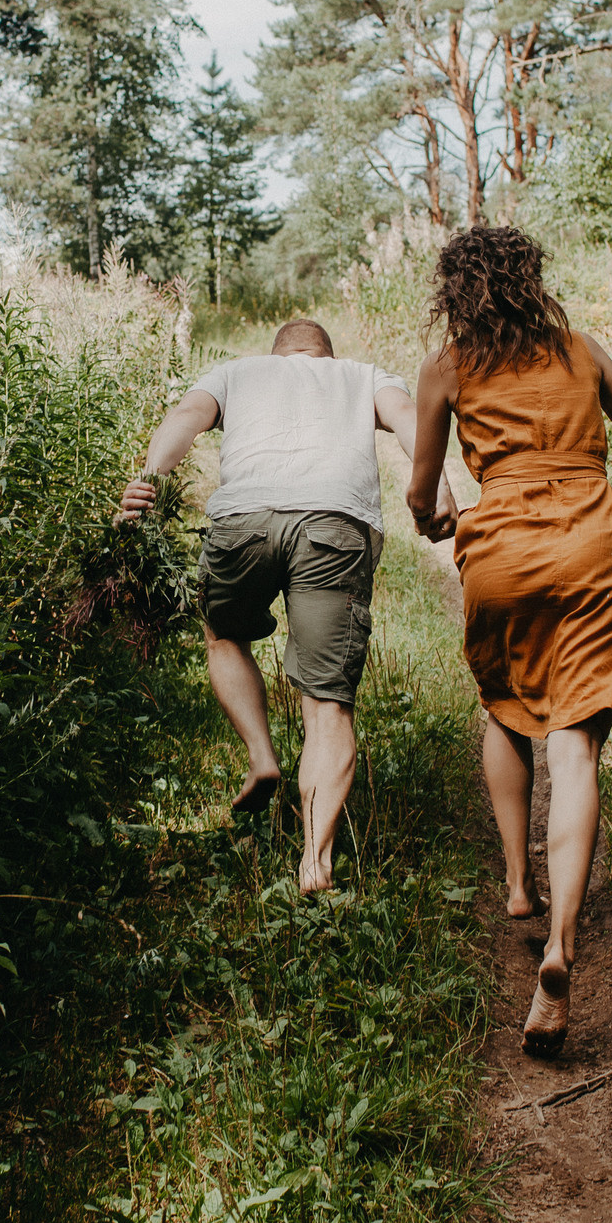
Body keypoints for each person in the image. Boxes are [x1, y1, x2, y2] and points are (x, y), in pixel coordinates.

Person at [405, 228, 612, 1055]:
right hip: (593, 543)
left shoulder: (449, 367)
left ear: (456, 290)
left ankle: (519, 882)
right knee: (577, 746)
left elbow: (421, 497)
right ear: (532, 280)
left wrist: (440, 516)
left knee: (506, 708)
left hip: (504, 557)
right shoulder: (583, 350)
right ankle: (560, 946)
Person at [118, 317, 452, 893]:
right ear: (326, 352)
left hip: (243, 521)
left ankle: (261, 756)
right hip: (334, 526)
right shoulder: (362, 375)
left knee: (224, 637)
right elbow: (409, 420)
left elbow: (185, 418)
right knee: (327, 704)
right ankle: (315, 861)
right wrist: (439, 487)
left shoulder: (237, 372)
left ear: (279, 352)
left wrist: (149, 478)